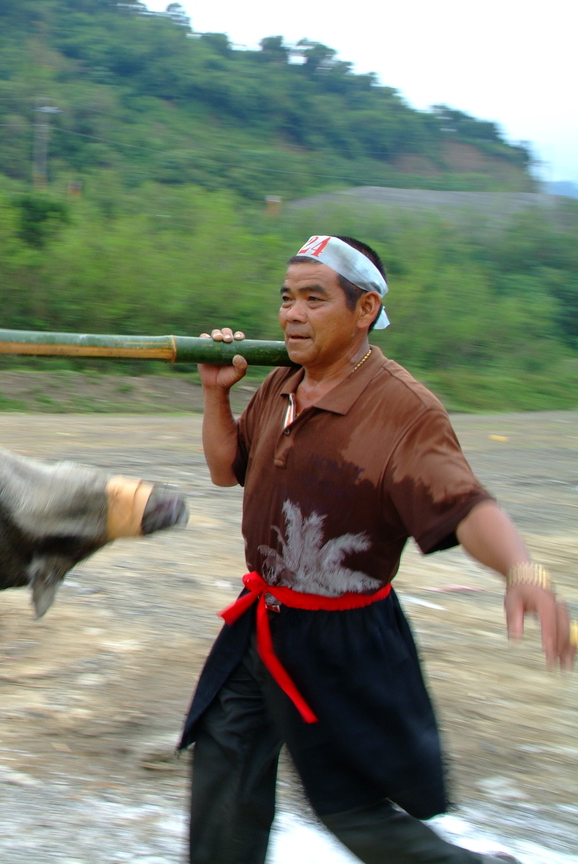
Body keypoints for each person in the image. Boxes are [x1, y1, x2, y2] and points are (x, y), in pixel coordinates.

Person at [182, 234, 575, 864]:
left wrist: (523, 570)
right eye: (287, 299)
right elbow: (227, 468)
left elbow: (465, 504)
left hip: (341, 640)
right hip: (262, 623)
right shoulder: (283, 381)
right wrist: (214, 393)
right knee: (224, 767)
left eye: (315, 299)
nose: (292, 315)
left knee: (353, 812)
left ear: (365, 309)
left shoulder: (402, 409)